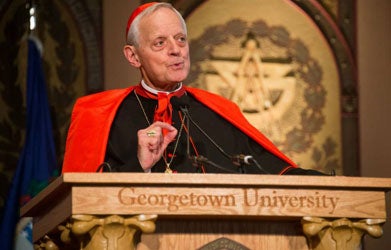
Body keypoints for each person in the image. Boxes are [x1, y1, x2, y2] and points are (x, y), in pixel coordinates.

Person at [62, 2, 325, 176]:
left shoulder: (219, 111)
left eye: (180, 39)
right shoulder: (100, 116)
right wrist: (138, 165)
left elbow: (272, 171)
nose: (176, 49)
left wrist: (328, 183)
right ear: (133, 57)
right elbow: (82, 199)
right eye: (160, 43)